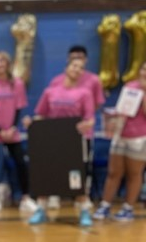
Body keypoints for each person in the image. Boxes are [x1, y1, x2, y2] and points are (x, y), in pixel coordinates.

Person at [24, 56, 97, 227]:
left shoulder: (85, 93)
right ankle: (41, 210)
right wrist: (31, 122)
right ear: (67, 67)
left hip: (75, 143)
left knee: (77, 177)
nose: (77, 69)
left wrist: (86, 125)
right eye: (74, 65)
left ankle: (84, 211)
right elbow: (41, 114)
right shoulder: (51, 91)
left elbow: (90, 119)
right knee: (47, 174)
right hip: (53, 141)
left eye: (81, 68)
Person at [0, 50, 35, 217]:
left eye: (1, 61)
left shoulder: (17, 84)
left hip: (12, 131)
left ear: (7, 63)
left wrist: (11, 128)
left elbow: (19, 107)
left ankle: (26, 198)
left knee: (20, 162)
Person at [94, 61, 146, 221]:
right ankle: (105, 205)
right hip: (121, 134)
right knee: (113, 172)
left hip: (139, 137)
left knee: (134, 173)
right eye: (144, 69)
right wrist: (112, 116)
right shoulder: (130, 85)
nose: (145, 72)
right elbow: (122, 108)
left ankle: (128, 207)